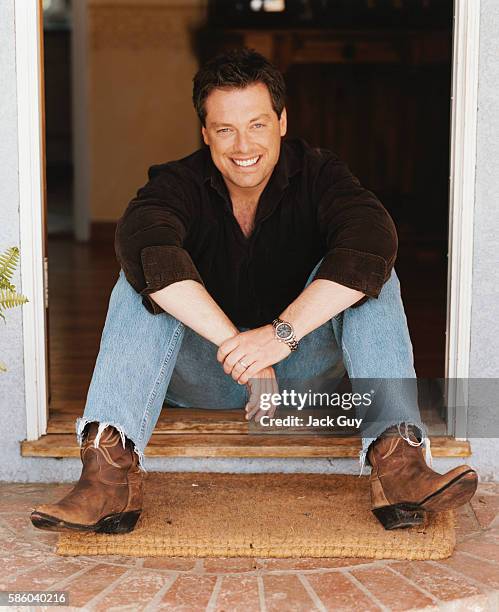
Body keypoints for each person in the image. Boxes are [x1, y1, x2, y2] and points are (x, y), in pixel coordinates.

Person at [31, 48, 477, 534]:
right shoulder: (175, 185)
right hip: (201, 378)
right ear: (205, 133)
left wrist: (278, 337)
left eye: (258, 125)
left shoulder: (322, 176)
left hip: (306, 376)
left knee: (372, 274)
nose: (243, 144)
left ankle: (400, 465)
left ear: (282, 122)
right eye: (225, 129)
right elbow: (146, 245)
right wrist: (246, 353)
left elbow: (373, 241)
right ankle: (107, 478)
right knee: (141, 275)